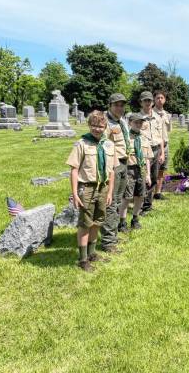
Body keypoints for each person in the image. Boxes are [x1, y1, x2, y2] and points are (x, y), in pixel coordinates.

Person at [66, 110, 116, 272]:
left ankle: (92, 253)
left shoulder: (109, 145)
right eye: (93, 125)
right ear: (89, 125)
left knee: (97, 222)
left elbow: (112, 171)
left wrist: (109, 192)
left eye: (100, 126)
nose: (97, 129)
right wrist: (74, 193)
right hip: (86, 188)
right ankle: (82, 259)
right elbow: (74, 169)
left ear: (105, 127)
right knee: (85, 224)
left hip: (103, 187)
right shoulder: (82, 143)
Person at [100, 93, 129, 253]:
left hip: (124, 164)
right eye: (116, 105)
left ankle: (113, 234)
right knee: (111, 203)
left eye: (122, 105)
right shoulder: (106, 123)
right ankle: (108, 242)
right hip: (113, 167)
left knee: (118, 202)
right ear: (110, 105)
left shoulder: (122, 122)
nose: (120, 108)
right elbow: (103, 146)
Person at [119, 113, 153, 230]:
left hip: (141, 169)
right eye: (136, 122)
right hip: (129, 169)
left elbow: (147, 158)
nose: (138, 124)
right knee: (127, 197)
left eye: (140, 122)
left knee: (140, 196)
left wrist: (148, 174)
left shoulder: (144, 138)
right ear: (130, 123)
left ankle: (135, 219)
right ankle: (122, 222)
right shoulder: (125, 138)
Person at [139, 91, 165, 215]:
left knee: (154, 178)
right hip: (144, 151)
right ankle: (141, 205)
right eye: (145, 101)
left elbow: (160, 136)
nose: (148, 103)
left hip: (156, 150)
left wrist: (162, 153)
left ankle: (148, 205)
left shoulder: (157, 117)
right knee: (145, 178)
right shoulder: (137, 118)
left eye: (149, 101)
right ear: (141, 102)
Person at [153, 90, 172, 200]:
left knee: (161, 170)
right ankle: (149, 193)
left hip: (165, 145)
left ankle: (158, 192)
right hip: (155, 146)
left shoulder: (167, 115)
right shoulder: (151, 113)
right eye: (157, 98)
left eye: (162, 98)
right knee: (152, 170)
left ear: (165, 100)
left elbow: (168, 130)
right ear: (154, 100)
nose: (160, 100)